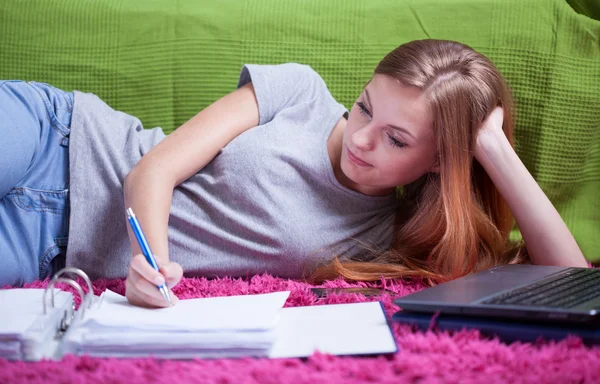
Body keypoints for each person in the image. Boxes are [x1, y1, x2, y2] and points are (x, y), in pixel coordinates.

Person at [0, 39, 588, 307]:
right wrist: (151, 268)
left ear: (439, 162)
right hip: (59, 135)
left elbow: (566, 276)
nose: (360, 137)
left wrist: (490, 147)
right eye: (364, 107)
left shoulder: (393, 237)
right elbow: (153, 169)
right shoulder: (300, 90)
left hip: (48, 249)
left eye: (396, 139)